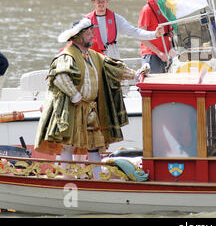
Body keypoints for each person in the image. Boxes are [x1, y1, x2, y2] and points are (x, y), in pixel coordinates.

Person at [34, 18, 150, 179]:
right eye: (88, 33)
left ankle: (97, 178)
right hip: (72, 108)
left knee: (95, 146)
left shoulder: (94, 56)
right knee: (69, 145)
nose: (92, 36)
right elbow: (59, 76)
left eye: (92, 32)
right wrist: (74, 95)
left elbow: (114, 68)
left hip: (91, 109)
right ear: (77, 36)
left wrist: (135, 75)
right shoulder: (67, 56)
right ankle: (67, 177)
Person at [86, 0, 163, 59]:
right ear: (93, 2)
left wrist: (155, 34)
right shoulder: (86, 21)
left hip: (112, 58)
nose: (101, 4)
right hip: (94, 58)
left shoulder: (116, 18)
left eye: (103, 1)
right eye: (98, 1)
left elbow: (135, 32)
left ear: (107, 1)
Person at [138, 0, 174, 73]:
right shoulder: (146, 10)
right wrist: (159, 53)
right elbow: (141, 37)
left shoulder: (166, 8)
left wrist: (171, 48)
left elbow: (169, 33)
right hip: (152, 55)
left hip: (167, 54)